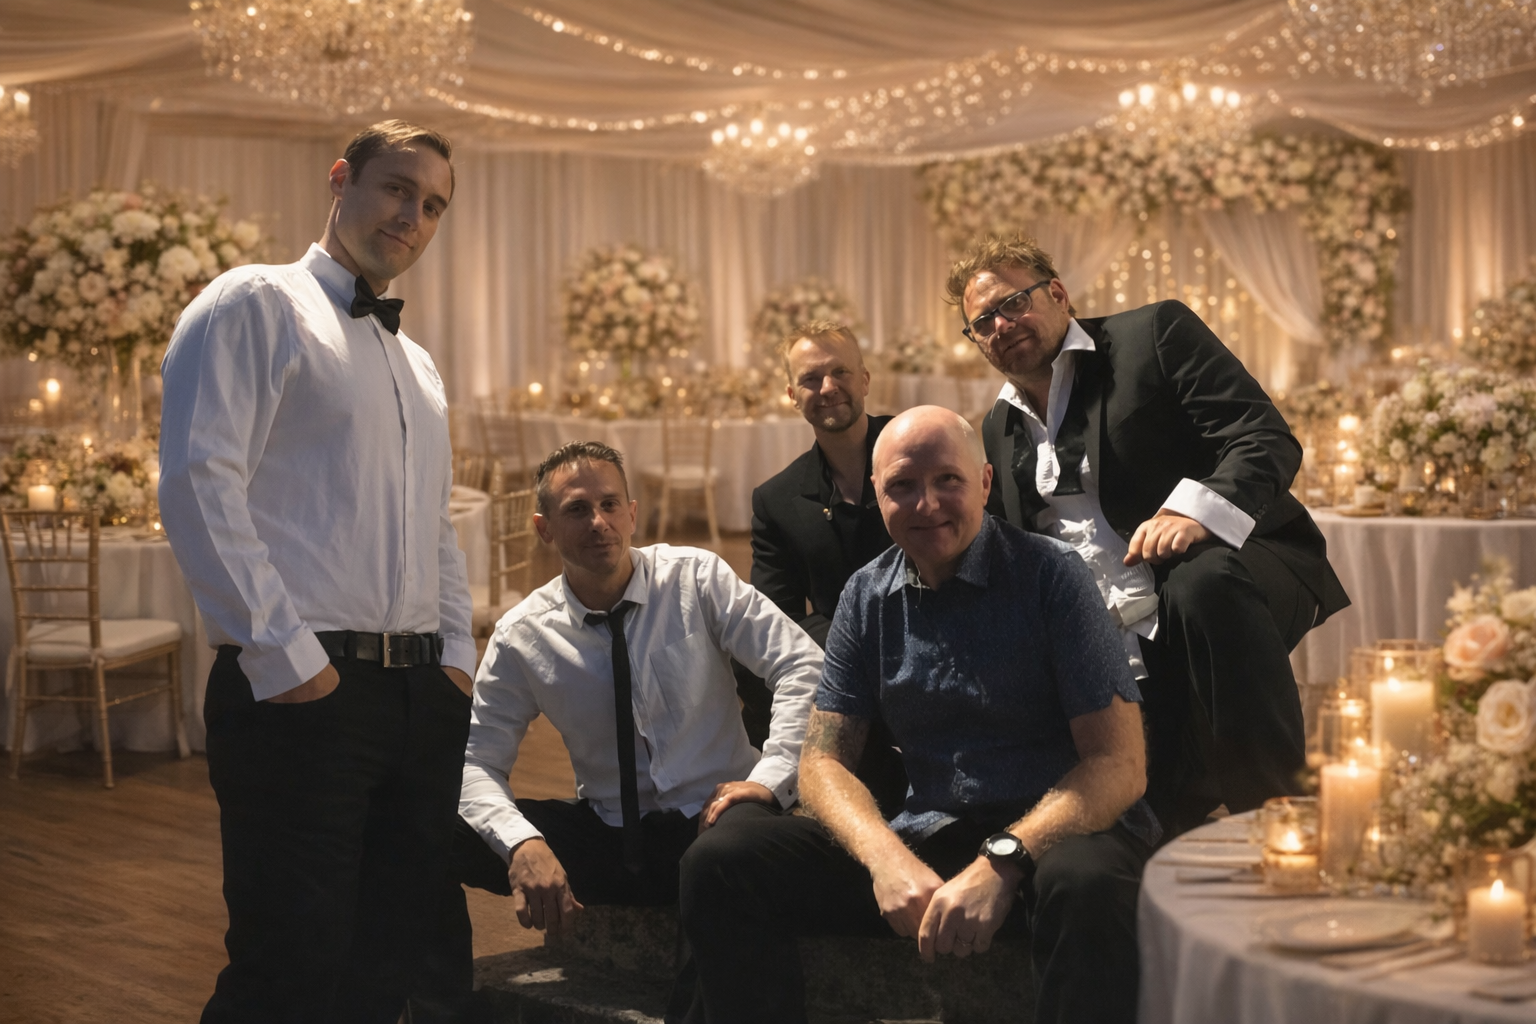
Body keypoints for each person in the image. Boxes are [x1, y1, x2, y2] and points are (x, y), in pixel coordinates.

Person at [680, 407, 1154, 1024]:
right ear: (877, 496)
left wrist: (1005, 860)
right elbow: (822, 762)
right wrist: (885, 858)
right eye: (902, 485)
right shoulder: (866, 594)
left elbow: (1119, 764)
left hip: (1057, 837)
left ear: (984, 482)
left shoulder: (1051, 576)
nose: (926, 504)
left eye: (947, 480)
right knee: (722, 860)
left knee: (1087, 884)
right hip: (932, 836)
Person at [159, 121, 473, 1023]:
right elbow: (198, 481)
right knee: (287, 969)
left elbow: (435, 526)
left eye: (432, 205)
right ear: (341, 179)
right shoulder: (256, 302)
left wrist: (455, 658)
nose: (412, 217)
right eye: (397, 189)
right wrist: (287, 658)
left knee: (387, 965)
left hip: (416, 698)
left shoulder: (417, 362)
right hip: (301, 695)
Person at [413, 440, 824, 1022]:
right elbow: (475, 761)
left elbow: (803, 665)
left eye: (609, 505)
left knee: (724, 871)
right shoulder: (523, 633)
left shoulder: (695, 578)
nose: (598, 522)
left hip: (717, 823)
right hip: (609, 834)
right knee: (419, 828)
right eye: (577, 510)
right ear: (545, 528)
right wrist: (520, 842)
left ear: (632, 514)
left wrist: (769, 779)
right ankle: (445, 1012)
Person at [953, 234, 1349, 836]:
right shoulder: (996, 428)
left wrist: (1196, 513)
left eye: (1013, 303)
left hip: (1229, 574)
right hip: (1111, 637)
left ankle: (1280, 820)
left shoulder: (1151, 335)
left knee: (1200, 583)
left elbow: (1262, 437)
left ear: (1057, 293)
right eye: (983, 321)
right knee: (1148, 817)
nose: (1001, 326)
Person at [743, 321, 905, 811]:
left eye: (840, 372)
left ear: (865, 380)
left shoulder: (918, 447)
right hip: (850, 674)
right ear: (792, 395)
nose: (828, 387)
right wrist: (853, 644)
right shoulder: (776, 499)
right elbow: (774, 616)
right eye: (811, 379)